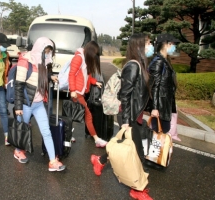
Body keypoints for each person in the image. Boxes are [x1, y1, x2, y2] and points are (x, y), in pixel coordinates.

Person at [90, 33, 154, 200]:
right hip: (128, 116)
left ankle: (100, 160)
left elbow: (141, 93)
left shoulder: (140, 65)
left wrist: (151, 109)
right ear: (139, 46)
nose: (150, 47)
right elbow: (124, 95)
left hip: (135, 115)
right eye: (148, 44)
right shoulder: (132, 66)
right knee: (137, 152)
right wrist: (125, 121)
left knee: (125, 147)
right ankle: (137, 189)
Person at [13, 37, 66, 172]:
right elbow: (18, 85)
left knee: (46, 131)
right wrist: (18, 107)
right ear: (39, 49)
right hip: (26, 103)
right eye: (46, 51)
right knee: (22, 129)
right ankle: (18, 150)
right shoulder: (25, 61)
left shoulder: (42, 62)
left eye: (49, 52)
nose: (48, 55)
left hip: (38, 103)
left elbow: (39, 76)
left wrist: (50, 77)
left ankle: (53, 161)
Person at [68, 41, 106, 147]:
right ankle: (96, 139)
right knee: (87, 115)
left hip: (79, 92)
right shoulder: (79, 58)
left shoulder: (84, 59)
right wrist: (73, 90)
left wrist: (94, 82)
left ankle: (67, 134)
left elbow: (86, 76)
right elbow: (71, 74)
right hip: (77, 93)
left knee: (74, 115)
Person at [148, 33, 179, 135]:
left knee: (162, 133)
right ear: (166, 44)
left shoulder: (164, 61)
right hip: (160, 107)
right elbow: (155, 86)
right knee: (159, 134)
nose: (174, 47)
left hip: (164, 104)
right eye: (173, 44)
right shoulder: (159, 62)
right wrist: (155, 108)